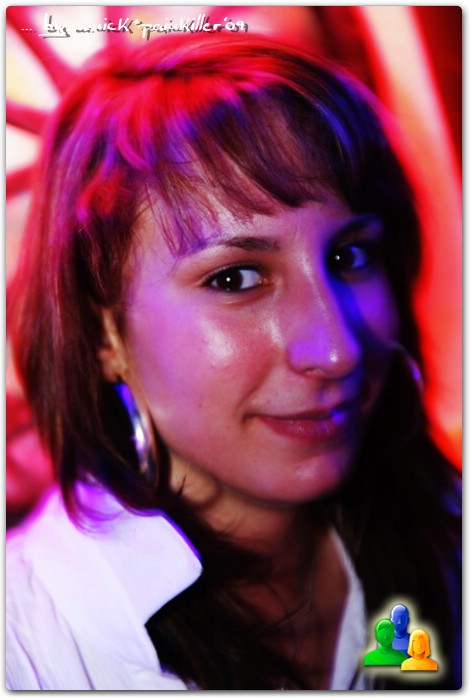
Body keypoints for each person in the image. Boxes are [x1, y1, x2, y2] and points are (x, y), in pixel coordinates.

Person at [6, 34, 461, 690]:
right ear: (105, 333)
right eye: (236, 278)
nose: (338, 350)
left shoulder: (447, 538)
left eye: (349, 256)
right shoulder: (32, 643)